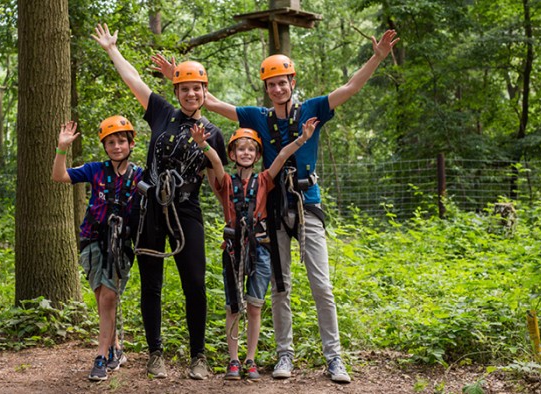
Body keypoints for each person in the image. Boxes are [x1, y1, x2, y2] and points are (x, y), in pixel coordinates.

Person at [152, 28, 399, 383]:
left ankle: (334, 357)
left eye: (283, 82)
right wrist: (177, 78)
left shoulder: (312, 109)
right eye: (272, 84)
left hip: (306, 206)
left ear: (292, 82)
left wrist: (376, 57)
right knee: (281, 286)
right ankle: (285, 355)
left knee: (321, 285)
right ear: (266, 88)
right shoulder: (257, 117)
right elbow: (210, 102)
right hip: (272, 212)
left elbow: (350, 90)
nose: (278, 89)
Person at [92, 24, 228, 380]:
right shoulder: (162, 113)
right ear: (177, 90)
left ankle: (198, 356)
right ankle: (155, 354)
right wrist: (111, 49)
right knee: (151, 283)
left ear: (204, 90)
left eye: (196, 89)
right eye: (184, 89)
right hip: (150, 207)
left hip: (186, 210)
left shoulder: (214, 133)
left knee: (194, 284)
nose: (190, 94)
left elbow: (219, 181)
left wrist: (209, 153)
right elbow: (134, 79)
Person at [191, 117, 317, 381]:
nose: (245, 153)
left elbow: (282, 156)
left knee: (255, 306)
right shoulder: (225, 182)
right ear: (233, 154)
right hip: (234, 249)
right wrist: (202, 144)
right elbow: (214, 161)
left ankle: (250, 359)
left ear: (257, 154)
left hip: (259, 248)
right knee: (234, 307)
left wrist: (302, 139)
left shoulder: (264, 179)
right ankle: (234, 360)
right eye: (240, 149)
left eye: (251, 149)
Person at [51, 116, 143, 381]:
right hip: (92, 240)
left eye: (121, 141)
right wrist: (62, 149)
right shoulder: (95, 170)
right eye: (111, 142)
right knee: (102, 297)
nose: (116, 146)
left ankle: (101, 356)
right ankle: (115, 348)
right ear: (105, 146)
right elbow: (59, 176)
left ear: (130, 143)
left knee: (109, 297)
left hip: (121, 244)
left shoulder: (139, 176)